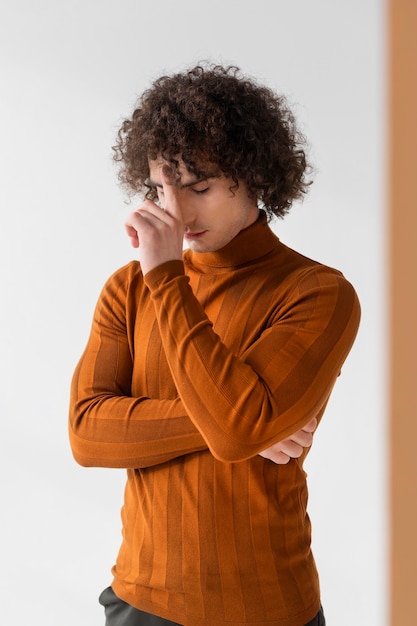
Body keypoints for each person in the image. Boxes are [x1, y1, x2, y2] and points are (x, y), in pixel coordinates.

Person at [69, 64, 360, 626]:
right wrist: (252, 424)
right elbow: (87, 432)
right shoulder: (128, 290)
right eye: (160, 189)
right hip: (140, 601)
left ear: (253, 177)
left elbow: (236, 430)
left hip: (268, 608)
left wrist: (168, 278)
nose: (175, 213)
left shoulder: (316, 293)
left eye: (199, 187)